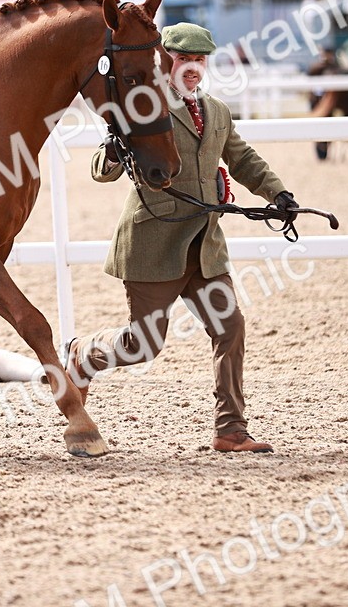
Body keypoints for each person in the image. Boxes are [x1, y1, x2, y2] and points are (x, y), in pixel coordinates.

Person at [60, 22, 298, 454]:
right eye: (185, 59)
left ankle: (230, 430)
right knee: (142, 347)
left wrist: (278, 193)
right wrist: (114, 150)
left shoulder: (218, 112)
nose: (193, 68)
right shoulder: (144, 108)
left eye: (200, 60)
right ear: (165, 61)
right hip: (155, 244)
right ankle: (82, 354)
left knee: (230, 329)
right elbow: (100, 168)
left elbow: (243, 159)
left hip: (204, 247)